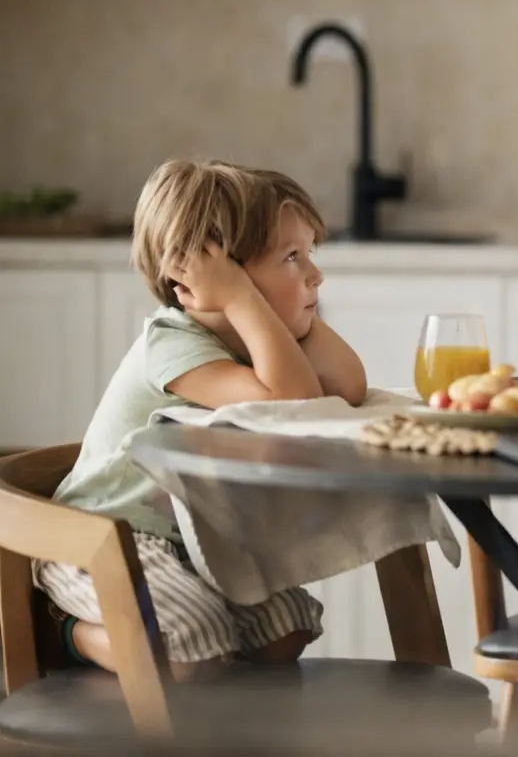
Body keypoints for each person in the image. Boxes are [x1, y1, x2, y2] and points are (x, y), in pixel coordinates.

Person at [37, 159, 368, 680]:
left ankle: (208, 702)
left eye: (310, 254)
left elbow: (347, 389)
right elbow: (292, 404)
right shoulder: (172, 344)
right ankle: (64, 632)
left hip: (192, 539)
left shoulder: (259, 343)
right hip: (103, 540)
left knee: (289, 630)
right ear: (212, 274)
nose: (315, 272)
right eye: (291, 257)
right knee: (194, 655)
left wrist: (293, 314)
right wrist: (241, 297)